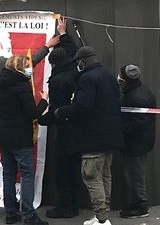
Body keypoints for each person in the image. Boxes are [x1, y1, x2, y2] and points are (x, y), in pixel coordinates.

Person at [0, 19, 66, 216]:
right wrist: (46, 47)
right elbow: (27, 63)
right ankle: (23, 209)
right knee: (17, 168)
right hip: (3, 122)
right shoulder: (0, 63)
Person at [56, 46, 123, 225]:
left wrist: (63, 111)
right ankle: (103, 215)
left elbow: (82, 107)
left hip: (93, 137)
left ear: (83, 61)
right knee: (105, 176)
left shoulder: (87, 78)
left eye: (78, 62)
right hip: (110, 135)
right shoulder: (108, 75)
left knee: (91, 176)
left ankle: (101, 219)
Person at [0, 55, 49, 225]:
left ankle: (10, 213)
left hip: (4, 135)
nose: (29, 68)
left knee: (8, 174)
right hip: (20, 135)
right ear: (19, 67)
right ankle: (28, 214)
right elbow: (32, 113)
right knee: (26, 175)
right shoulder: (22, 86)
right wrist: (44, 101)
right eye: (26, 65)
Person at [39, 47, 80, 219]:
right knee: (74, 169)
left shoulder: (57, 81)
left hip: (64, 129)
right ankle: (74, 204)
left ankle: (65, 206)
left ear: (53, 63)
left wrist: (41, 119)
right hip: (78, 128)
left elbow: (56, 110)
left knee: (61, 169)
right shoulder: (76, 74)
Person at [118, 64, 156, 219]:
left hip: (135, 143)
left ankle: (140, 206)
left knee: (135, 175)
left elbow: (137, 123)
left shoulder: (135, 97)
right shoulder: (141, 91)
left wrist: (118, 128)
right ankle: (137, 203)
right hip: (140, 142)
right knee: (135, 174)